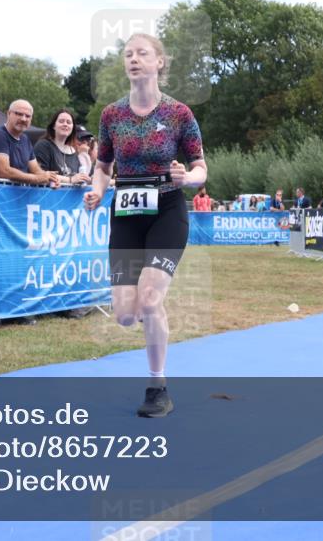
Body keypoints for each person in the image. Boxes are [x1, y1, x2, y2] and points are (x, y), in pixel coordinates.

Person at [83, 32, 206, 419]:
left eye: (142, 54)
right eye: (128, 54)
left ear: (159, 63)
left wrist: (188, 178)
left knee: (151, 300)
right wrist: (97, 189)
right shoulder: (111, 115)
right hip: (127, 215)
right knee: (124, 314)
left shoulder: (179, 114)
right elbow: (103, 167)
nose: (133, 59)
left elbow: (201, 167)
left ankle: (158, 387)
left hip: (168, 211)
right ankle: (142, 320)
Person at [0, 100, 59, 186]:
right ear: (8, 114)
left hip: (14, 197)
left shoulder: (25, 139)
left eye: (28, 116)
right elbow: (4, 171)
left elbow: (36, 170)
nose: (23, 119)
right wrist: (38, 178)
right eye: (19, 114)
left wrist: (51, 179)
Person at [33, 109, 93, 186]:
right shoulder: (43, 145)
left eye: (69, 122)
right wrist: (70, 179)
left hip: (69, 196)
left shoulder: (73, 151)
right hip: (47, 195)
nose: (65, 124)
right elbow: (40, 174)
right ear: (53, 126)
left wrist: (84, 179)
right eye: (61, 121)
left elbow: (79, 178)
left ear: (72, 128)